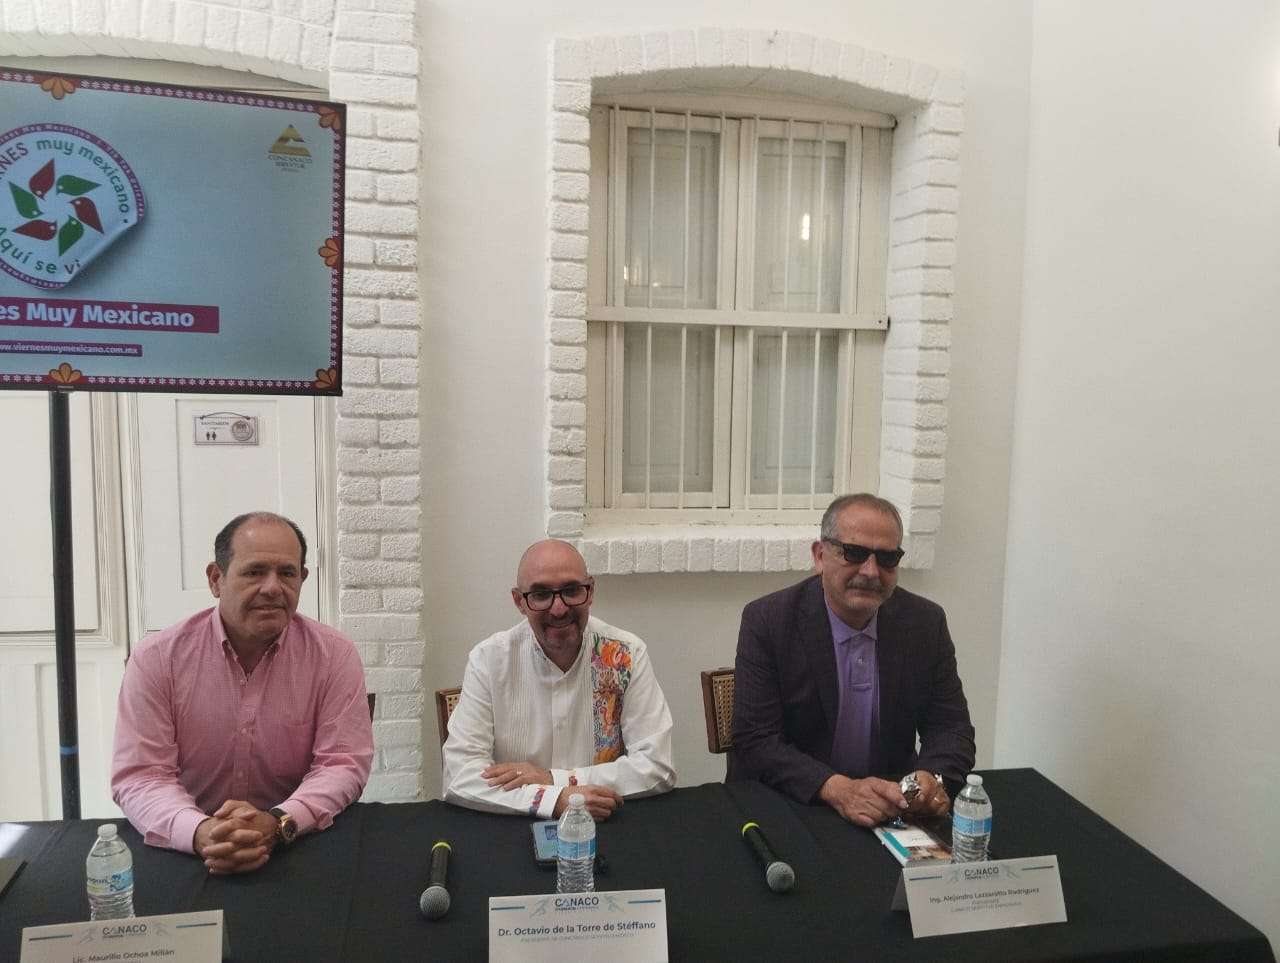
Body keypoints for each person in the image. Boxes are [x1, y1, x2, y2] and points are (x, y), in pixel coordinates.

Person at [111, 512, 373, 874]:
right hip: (185, 850)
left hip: (295, 845)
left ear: (303, 579)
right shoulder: (157, 659)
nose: (273, 588)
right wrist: (201, 832)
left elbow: (342, 764)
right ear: (215, 579)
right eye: (254, 572)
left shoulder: (334, 656)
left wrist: (279, 822)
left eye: (287, 573)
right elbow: (142, 775)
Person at [729, 493, 975, 828]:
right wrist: (837, 789)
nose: (871, 572)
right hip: (791, 804)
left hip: (889, 807)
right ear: (820, 556)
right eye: (854, 553)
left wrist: (930, 779)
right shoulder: (769, 620)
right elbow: (756, 740)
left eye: (887, 558)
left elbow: (951, 728)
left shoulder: (924, 623)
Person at [443, 539, 676, 820]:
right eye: (541, 594)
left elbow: (657, 766)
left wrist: (554, 779)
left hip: (604, 823)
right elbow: (460, 776)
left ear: (590, 592)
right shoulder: (489, 661)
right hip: (515, 826)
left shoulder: (624, 654)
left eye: (571, 590)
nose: (558, 609)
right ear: (519, 602)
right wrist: (554, 800)